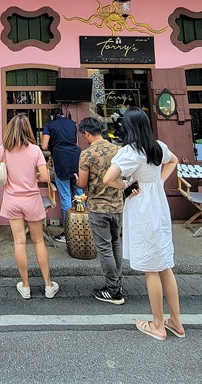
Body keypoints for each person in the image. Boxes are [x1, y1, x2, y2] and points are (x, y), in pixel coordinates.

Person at [103, 107, 184, 342]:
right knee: (164, 265)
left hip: (141, 207)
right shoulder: (157, 146)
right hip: (158, 204)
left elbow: (108, 178)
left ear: (127, 127)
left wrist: (126, 186)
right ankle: (176, 321)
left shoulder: (130, 151)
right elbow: (174, 160)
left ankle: (158, 324)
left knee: (151, 268)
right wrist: (158, 181)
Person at [0, 113, 59, 300]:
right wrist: (34, 176)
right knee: (38, 241)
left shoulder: (4, 149)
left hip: (12, 200)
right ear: (27, 129)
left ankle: (25, 286)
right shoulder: (35, 150)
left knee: (19, 242)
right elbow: (45, 177)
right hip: (32, 200)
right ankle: (48, 285)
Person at [76, 115, 125, 304]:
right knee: (116, 244)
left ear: (87, 133)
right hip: (117, 205)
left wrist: (76, 178)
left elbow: (82, 183)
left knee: (104, 248)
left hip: (98, 206)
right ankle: (117, 282)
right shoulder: (118, 150)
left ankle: (113, 289)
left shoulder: (87, 154)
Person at [41, 107, 81, 242]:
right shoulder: (72, 124)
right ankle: (84, 227)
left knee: (65, 196)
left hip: (60, 159)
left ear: (52, 116)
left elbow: (44, 145)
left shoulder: (49, 125)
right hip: (76, 158)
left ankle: (68, 233)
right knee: (80, 194)